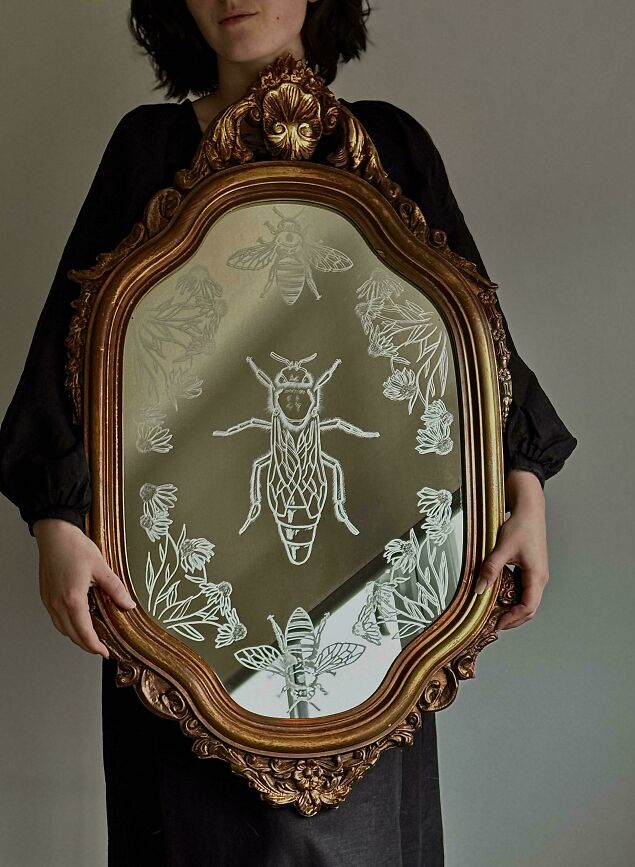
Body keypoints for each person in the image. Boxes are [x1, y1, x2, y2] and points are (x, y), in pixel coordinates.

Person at [0, 1, 578, 864]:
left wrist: (522, 497)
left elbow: (473, 352)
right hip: (178, 630)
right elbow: (72, 355)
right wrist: (56, 521)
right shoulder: (146, 149)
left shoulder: (393, 143)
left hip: (374, 629)